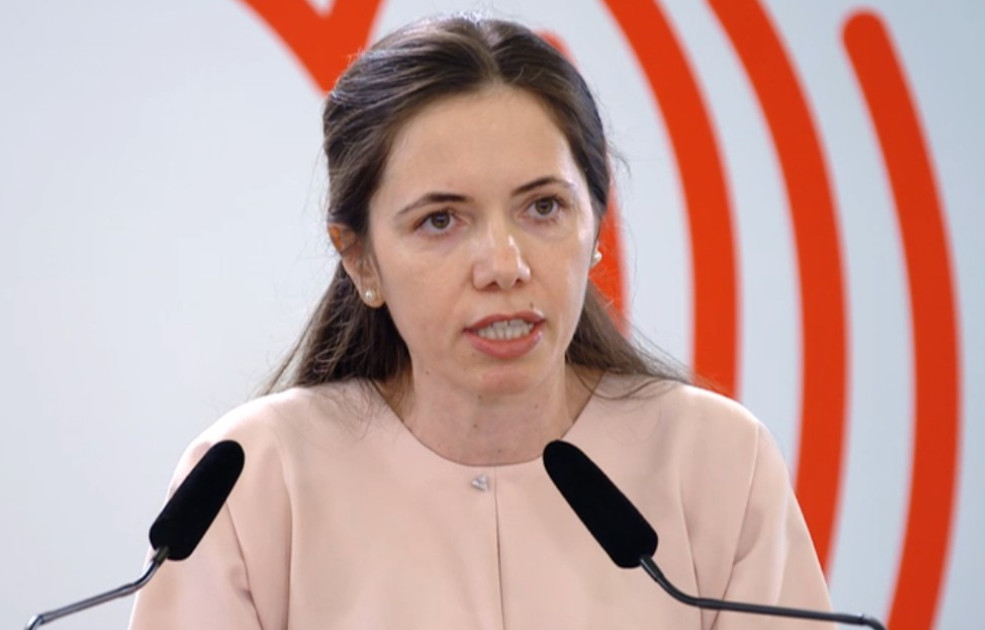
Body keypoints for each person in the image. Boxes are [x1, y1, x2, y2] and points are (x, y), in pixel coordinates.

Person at [128, 13, 830, 630]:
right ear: (361, 259)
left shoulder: (717, 460)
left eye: (543, 208)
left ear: (595, 226)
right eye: (441, 220)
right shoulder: (251, 477)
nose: (504, 265)